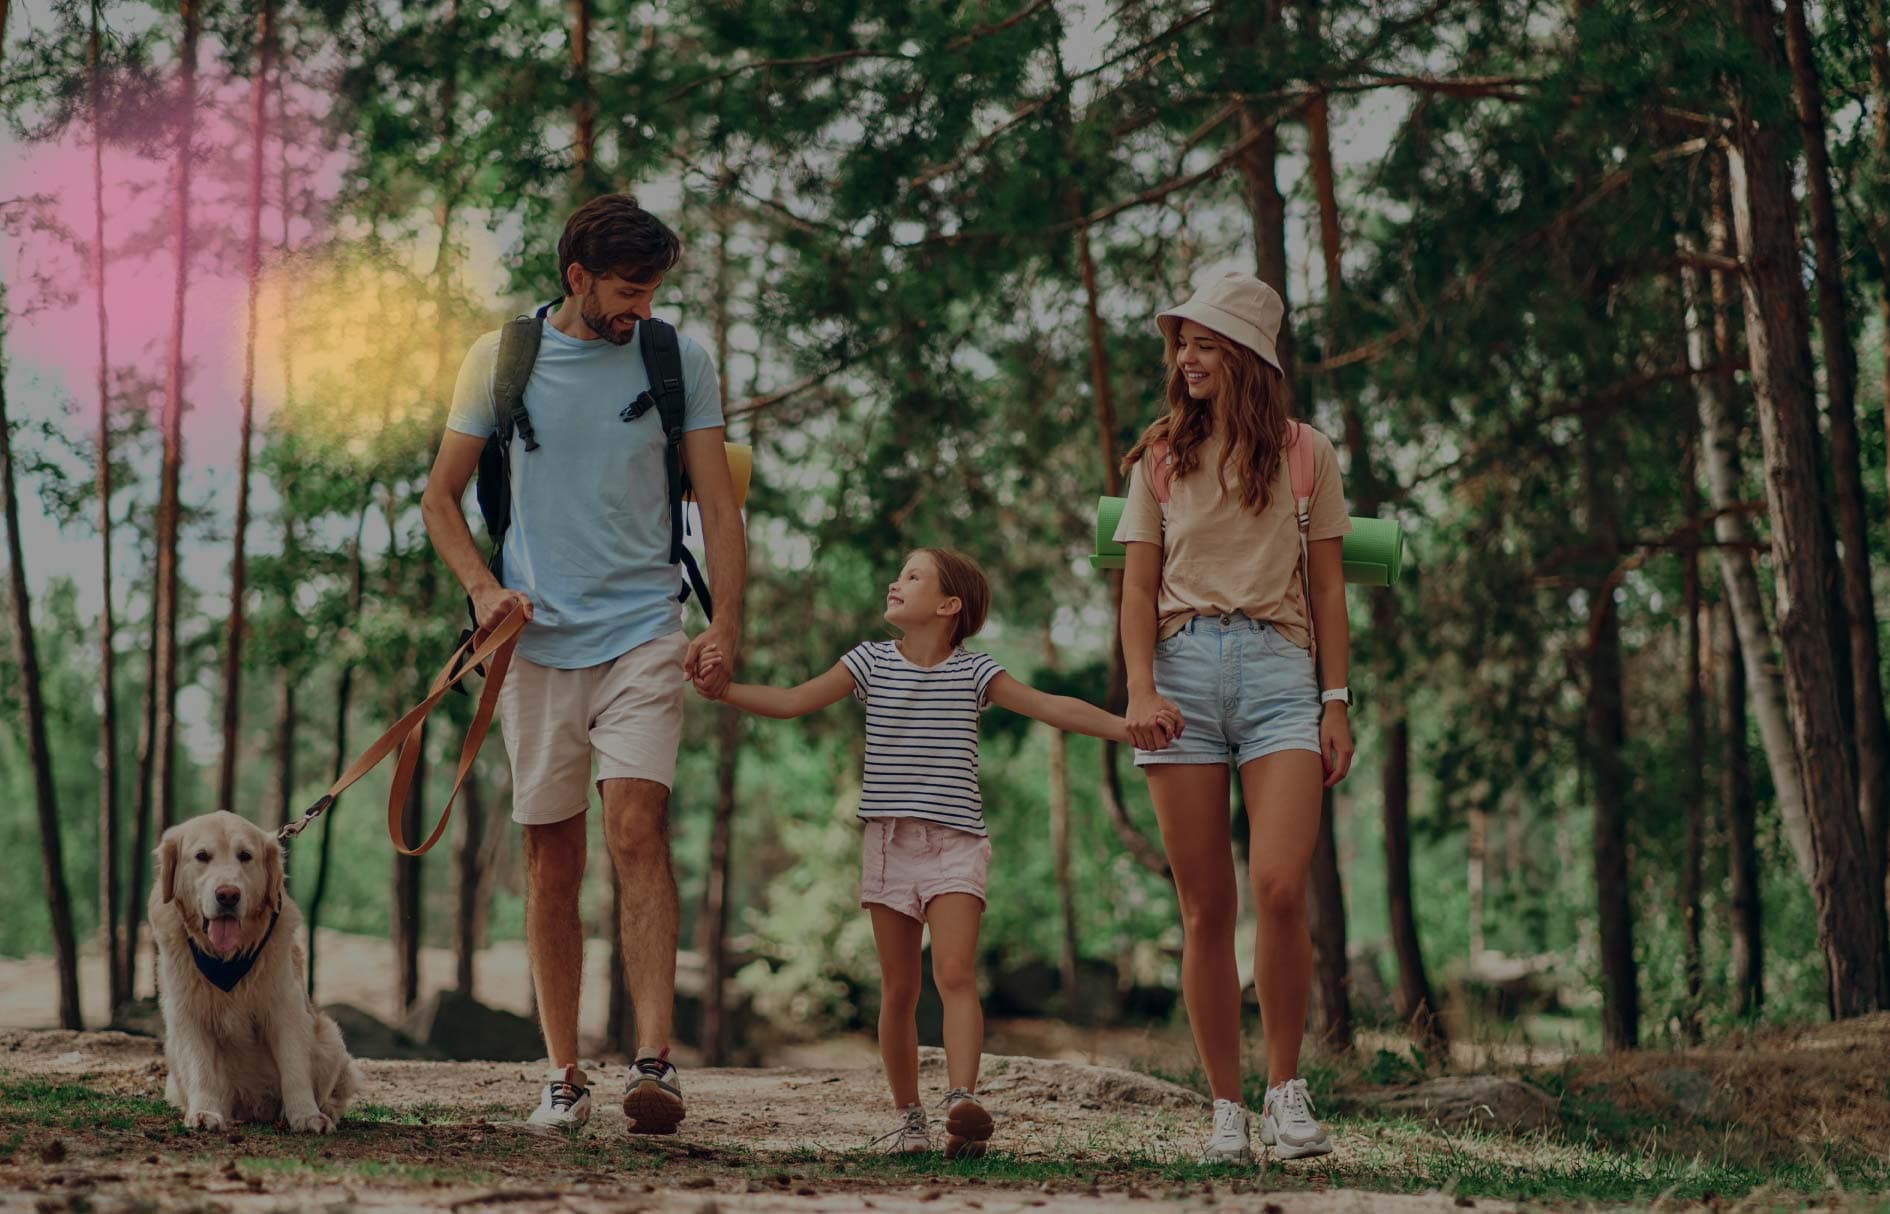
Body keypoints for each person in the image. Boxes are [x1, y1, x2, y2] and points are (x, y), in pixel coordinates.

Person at [422, 194, 745, 1136]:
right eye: (626, 290)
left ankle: (655, 1063)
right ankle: (563, 1073)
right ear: (576, 276)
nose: (640, 307)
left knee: (636, 826)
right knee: (549, 854)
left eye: (652, 290)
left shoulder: (676, 359)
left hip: (646, 625)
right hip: (533, 640)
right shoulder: (500, 360)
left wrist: (724, 621)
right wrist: (485, 594)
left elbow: (718, 508)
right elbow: (441, 499)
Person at [692, 548, 1174, 1156]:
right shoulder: (868, 662)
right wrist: (725, 691)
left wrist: (1128, 724)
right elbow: (792, 701)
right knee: (899, 990)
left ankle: (962, 1102)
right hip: (890, 843)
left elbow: (1052, 707)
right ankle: (908, 1119)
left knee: (954, 974)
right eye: (899, 573)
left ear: (950, 606)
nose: (896, 582)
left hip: (955, 843)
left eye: (913, 576)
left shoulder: (975, 673)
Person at [1114, 271, 1355, 1163]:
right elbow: (1137, 589)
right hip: (1179, 675)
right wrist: (1140, 690)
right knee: (1205, 908)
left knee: (1280, 887)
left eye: (1203, 343)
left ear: (1246, 357)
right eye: (1181, 343)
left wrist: (1335, 698)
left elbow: (1326, 585)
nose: (1184, 357)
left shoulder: (1305, 453)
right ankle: (1224, 1106)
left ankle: (1285, 1091)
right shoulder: (1160, 458)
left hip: (1280, 676)